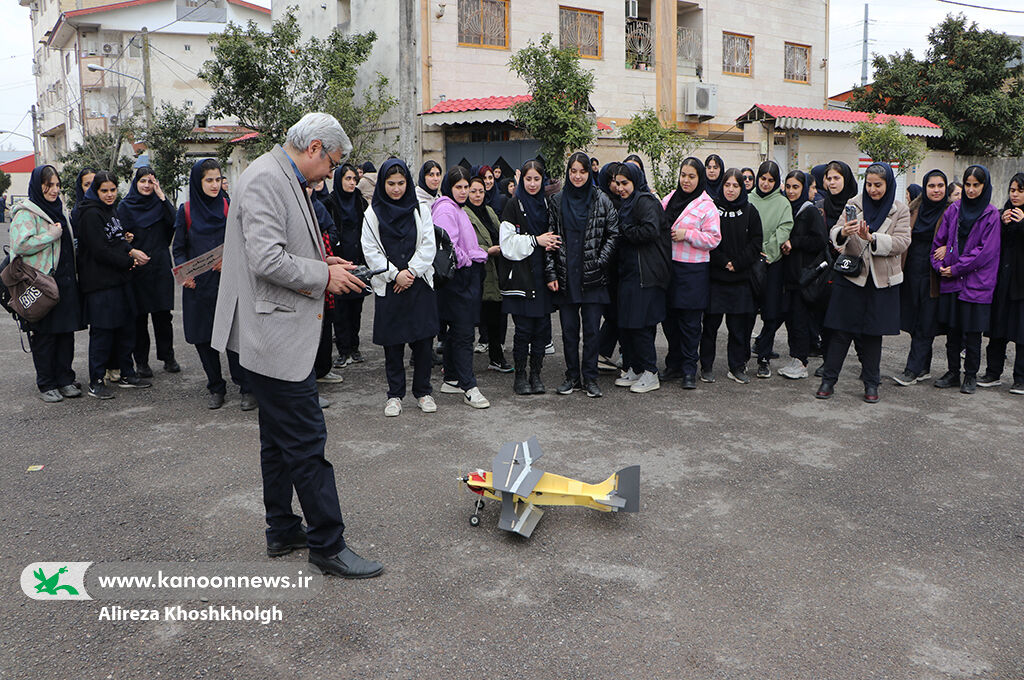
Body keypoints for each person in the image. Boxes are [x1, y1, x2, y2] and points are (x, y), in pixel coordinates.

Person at [211, 112, 382, 579]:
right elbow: (266, 259)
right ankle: (328, 543)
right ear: (314, 148)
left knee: (277, 441)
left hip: (273, 332)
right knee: (307, 443)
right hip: (274, 334)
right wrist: (324, 274)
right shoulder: (267, 178)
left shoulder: (280, 174)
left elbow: (279, 247)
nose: (332, 171)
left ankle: (282, 528)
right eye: (333, 161)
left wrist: (322, 260)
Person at [816, 163, 910, 403]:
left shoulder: (899, 209)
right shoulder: (854, 204)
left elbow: (902, 242)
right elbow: (835, 233)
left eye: (878, 185)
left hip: (880, 281)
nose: (873, 190)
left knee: (871, 336)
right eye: (869, 184)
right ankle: (828, 380)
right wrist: (844, 232)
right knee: (840, 332)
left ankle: (871, 384)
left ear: (888, 184)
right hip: (851, 277)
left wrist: (873, 238)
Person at [173, 159, 253, 410]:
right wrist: (185, 273)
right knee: (204, 339)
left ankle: (246, 388)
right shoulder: (185, 211)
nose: (215, 185)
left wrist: (230, 261)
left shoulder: (229, 207)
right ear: (198, 182)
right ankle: (216, 387)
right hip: (198, 287)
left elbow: (245, 242)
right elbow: (178, 249)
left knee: (235, 338)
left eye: (218, 179)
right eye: (209, 180)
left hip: (228, 284)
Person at [362, 159, 440, 417]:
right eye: (390, 183)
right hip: (390, 285)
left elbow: (429, 244)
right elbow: (370, 250)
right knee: (393, 345)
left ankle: (423, 392)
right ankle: (395, 395)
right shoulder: (372, 213)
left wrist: (411, 272)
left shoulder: (420, 209)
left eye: (401, 183)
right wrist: (395, 275)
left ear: (408, 183)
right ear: (383, 185)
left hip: (418, 284)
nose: (396, 189)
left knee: (423, 342)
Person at [545, 151, 619, 397]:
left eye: (583, 171)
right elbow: (550, 239)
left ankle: (590, 378)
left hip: (593, 276)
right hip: (567, 275)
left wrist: (600, 261)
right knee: (568, 331)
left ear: (590, 173)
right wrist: (551, 273)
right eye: (573, 171)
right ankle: (571, 377)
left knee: (591, 332)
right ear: (568, 172)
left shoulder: (601, 199)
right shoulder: (557, 200)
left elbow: (613, 233)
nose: (577, 176)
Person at [9, 165, 83, 402]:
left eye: (57, 185)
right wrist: (51, 235)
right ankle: (47, 383)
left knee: (65, 333)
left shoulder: (59, 209)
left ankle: (65, 379)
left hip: (65, 281)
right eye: (48, 185)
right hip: (40, 283)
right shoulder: (26, 212)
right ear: (37, 186)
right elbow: (20, 245)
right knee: (45, 335)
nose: (54, 190)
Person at [76, 171, 153, 399]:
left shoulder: (111, 210)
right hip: (100, 284)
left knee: (126, 328)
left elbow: (117, 239)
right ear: (95, 191)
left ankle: (127, 374)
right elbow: (100, 250)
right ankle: (96, 381)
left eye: (112, 190)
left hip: (119, 280)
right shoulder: (89, 213)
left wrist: (130, 249)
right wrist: (130, 260)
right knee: (102, 333)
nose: (110, 195)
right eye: (104, 191)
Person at [931, 165, 1001, 394]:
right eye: (968, 185)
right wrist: (940, 266)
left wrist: (955, 268)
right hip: (952, 281)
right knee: (952, 332)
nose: (971, 190)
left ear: (984, 186)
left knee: (972, 334)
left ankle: (970, 376)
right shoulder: (954, 210)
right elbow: (938, 242)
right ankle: (953, 372)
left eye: (976, 185)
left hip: (976, 283)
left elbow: (984, 252)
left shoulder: (991, 214)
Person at [500, 160, 561, 394]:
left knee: (541, 329)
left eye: (537, 179)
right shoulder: (513, 205)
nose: (533, 184)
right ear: (521, 180)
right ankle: (520, 377)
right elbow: (506, 244)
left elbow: (554, 236)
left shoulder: (548, 204)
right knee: (523, 330)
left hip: (543, 275)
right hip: (521, 277)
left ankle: (536, 375)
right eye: (528, 179)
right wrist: (536, 240)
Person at [432, 166, 491, 408]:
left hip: (462, 277)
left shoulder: (455, 207)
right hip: (458, 278)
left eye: (466, 186)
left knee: (457, 332)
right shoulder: (446, 208)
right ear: (450, 187)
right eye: (459, 187)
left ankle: (453, 378)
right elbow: (446, 243)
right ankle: (469, 386)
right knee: (464, 333)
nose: (464, 191)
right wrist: (468, 258)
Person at [661, 157, 721, 389]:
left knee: (690, 324)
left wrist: (688, 234)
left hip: (693, 271)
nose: (686, 180)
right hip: (669, 268)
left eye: (691, 176)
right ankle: (673, 364)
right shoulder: (669, 199)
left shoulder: (707, 205)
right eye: (683, 175)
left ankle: (689, 369)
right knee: (669, 321)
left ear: (700, 178)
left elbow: (714, 239)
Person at [699, 168, 763, 384]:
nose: (731, 189)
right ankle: (706, 366)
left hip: (740, 279)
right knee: (710, 327)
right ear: (722, 185)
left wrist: (737, 263)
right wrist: (723, 261)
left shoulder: (750, 211)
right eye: (727, 185)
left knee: (738, 329)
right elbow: (707, 238)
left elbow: (756, 243)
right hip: (715, 278)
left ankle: (736, 367)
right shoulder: (712, 209)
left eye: (736, 185)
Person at [612, 162, 671, 393]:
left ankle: (650, 372)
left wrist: (624, 231)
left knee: (641, 325)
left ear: (635, 181)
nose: (620, 188)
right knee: (627, 323)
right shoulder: (628, 203)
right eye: (618, 183)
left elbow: (650, 230)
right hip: (630, 273)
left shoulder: (645, 201)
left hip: (646, 274)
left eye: (625, 183)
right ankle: (635, 367)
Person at [117, 167, 179, 378]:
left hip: (160, 265)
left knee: (163, 316)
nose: (146, 185)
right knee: (139, 318)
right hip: (137, 269)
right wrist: (128, 245)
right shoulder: (125, 206)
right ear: (136, 183)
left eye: (150, 182)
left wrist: (162, 197)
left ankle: (168, 357)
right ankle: (141, 362)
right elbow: (118, 237)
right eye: (143, 181)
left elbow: (176, 222)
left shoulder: (160, 205)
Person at [894, 169, 949, 386]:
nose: (936, 190)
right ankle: (924, 366)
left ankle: (912, 369)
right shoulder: (914, 209)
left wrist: (948, 248)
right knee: (915, 319)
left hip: (935, 275)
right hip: (911, 270)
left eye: (940, 186)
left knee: (927, 321)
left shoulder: (952, 212)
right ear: (924, 188)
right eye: (931, 186)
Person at [777, 170, 829, 380]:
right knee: (791, 317)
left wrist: (795, 242)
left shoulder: (810, 212)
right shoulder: (785, 208)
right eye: (788, 187)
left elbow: (820, 240)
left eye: (795, 187)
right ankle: (796, 358)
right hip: (788, 274)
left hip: (804, 275)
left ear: (805, 188)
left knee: (800, 318)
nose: (790, 191)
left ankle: (801, 361)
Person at [978, 173, 1024, 391]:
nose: (1014, 195)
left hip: (1021, 286)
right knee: (997, 330)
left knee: (1022, 332)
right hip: (1001, 283)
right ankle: (992, 372)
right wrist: (1002, 224)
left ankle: (1020, 378)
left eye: (1020, 191)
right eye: (1012, 190)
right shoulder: (1001, 213)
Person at [747, 160, 793, 378]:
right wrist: (754, 252)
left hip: (773, 264)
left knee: (771, 313)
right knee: (746, 312)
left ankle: (763, 356)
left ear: (776, 182)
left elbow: (784, 228)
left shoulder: (783, 203)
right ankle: (741, 358)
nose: (765, 184)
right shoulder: (747, 199)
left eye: (770, 180)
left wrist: (767, 252)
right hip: (749, 263)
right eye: (763, 179)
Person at [464, 175, 512, 373]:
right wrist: (487, 250)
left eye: (481, 191)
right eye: (473, 191)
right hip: (475, 271)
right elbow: (466, 244)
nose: (477, 195)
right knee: (468, 321)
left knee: (495, 318)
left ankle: (496, 357)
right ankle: (456, 362)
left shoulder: (490, 210)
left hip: (494, 271)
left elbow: (500, 232)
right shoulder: (463, 213)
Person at [328, 163, 370, 367]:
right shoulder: (330, 202)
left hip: (358, 261)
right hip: (338, 261)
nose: (352, 183)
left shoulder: (360, 202)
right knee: (341, 309)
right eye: (348, 179)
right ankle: (343, 351)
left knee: (356, 307)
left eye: (354, 179)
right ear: (339, 180)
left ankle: (355, 347)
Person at [309, 178, 345, 394]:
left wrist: (322, 245)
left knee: (325, 324)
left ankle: (323, 369)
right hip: (305, 276)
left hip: (324, 269)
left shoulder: (318, 207)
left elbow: (332, 231)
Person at [69, 167, 96, 234]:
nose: (91, 188)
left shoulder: (108, 205)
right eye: (86, 185)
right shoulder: (78, 212)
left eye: (94, 183)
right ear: (81, 187)